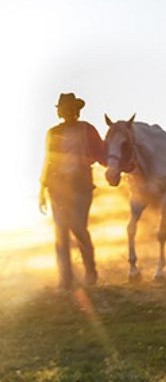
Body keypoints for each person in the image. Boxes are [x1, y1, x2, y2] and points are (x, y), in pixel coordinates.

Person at [39, 93, 105, 290]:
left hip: (81, 185)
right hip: (57, 187)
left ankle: (90, 271)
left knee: (78, 227)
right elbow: (47, 161)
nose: (68, 112)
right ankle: (65, 278)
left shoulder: (87, 129)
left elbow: (100, 152)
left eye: (71, 108)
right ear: (61, 111)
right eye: (65, 108)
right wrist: (42, 188)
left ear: (77, 111)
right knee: (61, 232)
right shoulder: (53, 133)